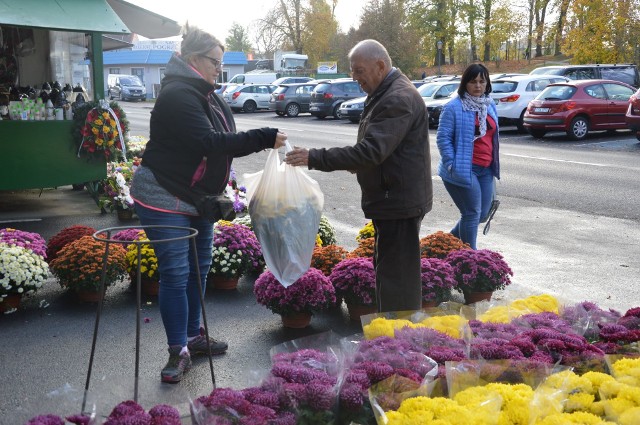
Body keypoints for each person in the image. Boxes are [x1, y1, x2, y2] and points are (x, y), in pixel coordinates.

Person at [129, 24, 287, 383]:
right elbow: (210, 141)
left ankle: (193, 335)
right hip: (163, 196)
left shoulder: (205, 92)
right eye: (215, 62)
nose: (220, 68)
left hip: (198, 198)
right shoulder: (178, 95)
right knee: (175, 272)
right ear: (194, 60)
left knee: (199, 268)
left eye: (220, 62)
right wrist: (264, 136)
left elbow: (215, 144)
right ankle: (177, 350)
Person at [285, 39, 432, 313]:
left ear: (380, 65)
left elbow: (371, 151)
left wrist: (313, 157)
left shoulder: (396, 98)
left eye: (359, 71)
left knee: (397, 281)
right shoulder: (384, 91)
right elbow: (381, 149)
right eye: (353, 71)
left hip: (398, 201)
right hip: (393, 198)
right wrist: (365, 162)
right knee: (390, 273)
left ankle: (398, 343)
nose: (355, 78)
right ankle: (392, 337)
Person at [436, 63, 500, 250]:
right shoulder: (453, 107)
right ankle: (470, 259)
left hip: (485, 169)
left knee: (481, 214)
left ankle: (446, 243)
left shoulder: (489, 104)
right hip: (464, 169)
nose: (478, 86)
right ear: (465, 83)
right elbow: (443, 138)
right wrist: (451, 164)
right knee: (471, 213)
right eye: (473, 82)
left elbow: (492, 135)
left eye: (482, 81)